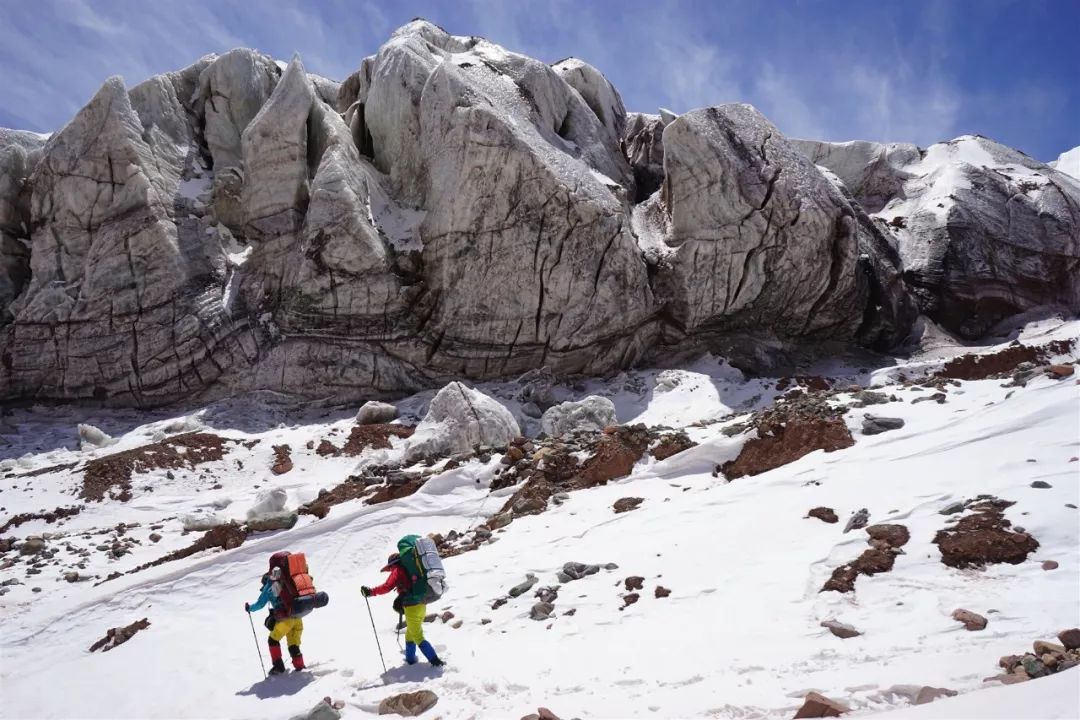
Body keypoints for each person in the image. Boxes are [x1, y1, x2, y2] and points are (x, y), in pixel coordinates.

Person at [362, 552, 445, 667]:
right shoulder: (411, 569)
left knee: (417, 636)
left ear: (392, 565)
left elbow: (387, 586)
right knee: (410, 634)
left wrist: (371, 592)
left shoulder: (397, 570)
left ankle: (436, 662)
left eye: (390, 567)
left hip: (411, 606)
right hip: (421, 604)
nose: (391, 570)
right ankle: (410, 661)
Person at [246, 565, 305, 675]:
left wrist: (250, 608)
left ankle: (278, 667)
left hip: (286, 620)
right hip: (297, 616)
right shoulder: (286, 583)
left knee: (273, 640)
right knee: (293, 644)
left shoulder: (269, 587)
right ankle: (300, 667)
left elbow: (260, 604)